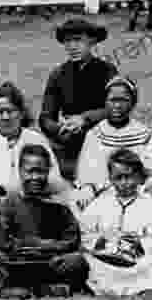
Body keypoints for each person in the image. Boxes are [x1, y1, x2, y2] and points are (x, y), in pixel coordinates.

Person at [0, 144, 89, 299]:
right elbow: (2, 241)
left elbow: (71, 240)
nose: (35, 177)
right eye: (29, 171)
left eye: (40, 172)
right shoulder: (10, 202)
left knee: (77, 261)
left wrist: (46, 246)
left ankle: (37, 289)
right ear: (20, 171)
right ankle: (36, 288)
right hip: (16, 262)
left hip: (49, 261)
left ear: (48, 171)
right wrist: (22, 247)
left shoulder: (59, 202)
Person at [39, 18, 118, 182]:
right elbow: (45, 117)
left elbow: (115, 108)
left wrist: (84, 119)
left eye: (78, 41)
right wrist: (60, 129)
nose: (72, 47)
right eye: (67, 41)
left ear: (92, 42)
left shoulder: (107, 71)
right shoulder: (58, 74)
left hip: (103, 139)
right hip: (69, 143)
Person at [0, 81, 71, 202]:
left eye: (10, 111)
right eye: (0, 112)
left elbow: (55, 179)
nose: (5, 117)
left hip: (33, 205)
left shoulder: (35, 140)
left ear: (21, 113)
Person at [75, 75, 152, 207]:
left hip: (137, 194)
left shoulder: (142, 133)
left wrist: (149, 185)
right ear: (105, 102)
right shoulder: (96, 134)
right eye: (112, 100)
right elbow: (88, 171)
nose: (117, 106)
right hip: (102, 196)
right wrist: (89, 188)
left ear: (132, 103)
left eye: (123, 100)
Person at [79, 149, 152, 296]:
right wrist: (100, 241)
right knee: (90, 263)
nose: (124, 183)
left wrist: (141, 243)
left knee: (151, 265)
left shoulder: (151, 205)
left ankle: (142, 287)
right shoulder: (100, 204)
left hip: (137, 261)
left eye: (129, 177)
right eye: (119, 178)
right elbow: (85, 233)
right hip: (105, 258)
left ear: (138, 177)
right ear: (111, 179)